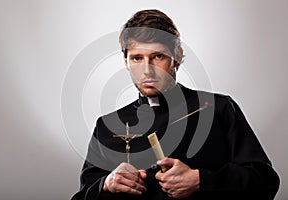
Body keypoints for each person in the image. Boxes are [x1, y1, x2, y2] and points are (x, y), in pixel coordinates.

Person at [71, 9, 280, 200]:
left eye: (158, 56)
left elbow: (266, 182)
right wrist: (106, 185)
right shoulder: (107, 126)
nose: (147, 70)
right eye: (137, 58)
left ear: (177, 57)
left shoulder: (218, 108)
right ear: (125, 61)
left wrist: (201, 180)